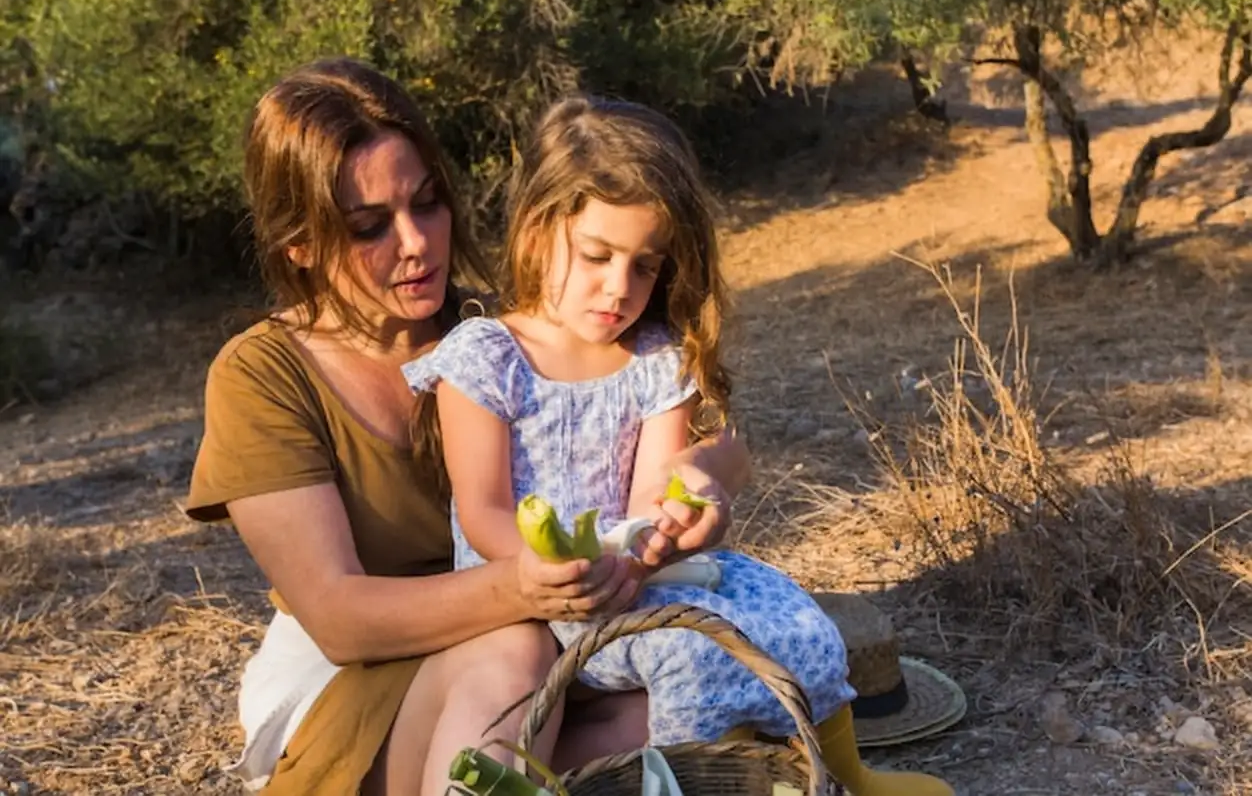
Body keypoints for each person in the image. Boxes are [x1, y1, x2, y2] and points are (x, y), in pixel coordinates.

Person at [182, 58, 749, 796]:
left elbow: (707, 430)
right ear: (302, 244)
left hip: (544, 645)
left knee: (701, 701)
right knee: (512, 654)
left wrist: (705, 481)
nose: (417, 242)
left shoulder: (495, 337)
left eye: (428, 203)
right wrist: (532, 587)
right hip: (360, 678)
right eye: (369, 226)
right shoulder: (261, 375)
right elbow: (341, 619)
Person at [402, 95, 956, 796]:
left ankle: (843, 773)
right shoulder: (487, 357)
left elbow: (653, 495)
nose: (619, 289)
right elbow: (482, 514)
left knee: (795, 625)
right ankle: (688, 775)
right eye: (598, 256)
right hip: (528, 592)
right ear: (542, 232)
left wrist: (671, 525)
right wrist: (556, 565)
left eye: (645, 266)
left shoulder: (656, 359)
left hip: (630, 584)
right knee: (690, 660)